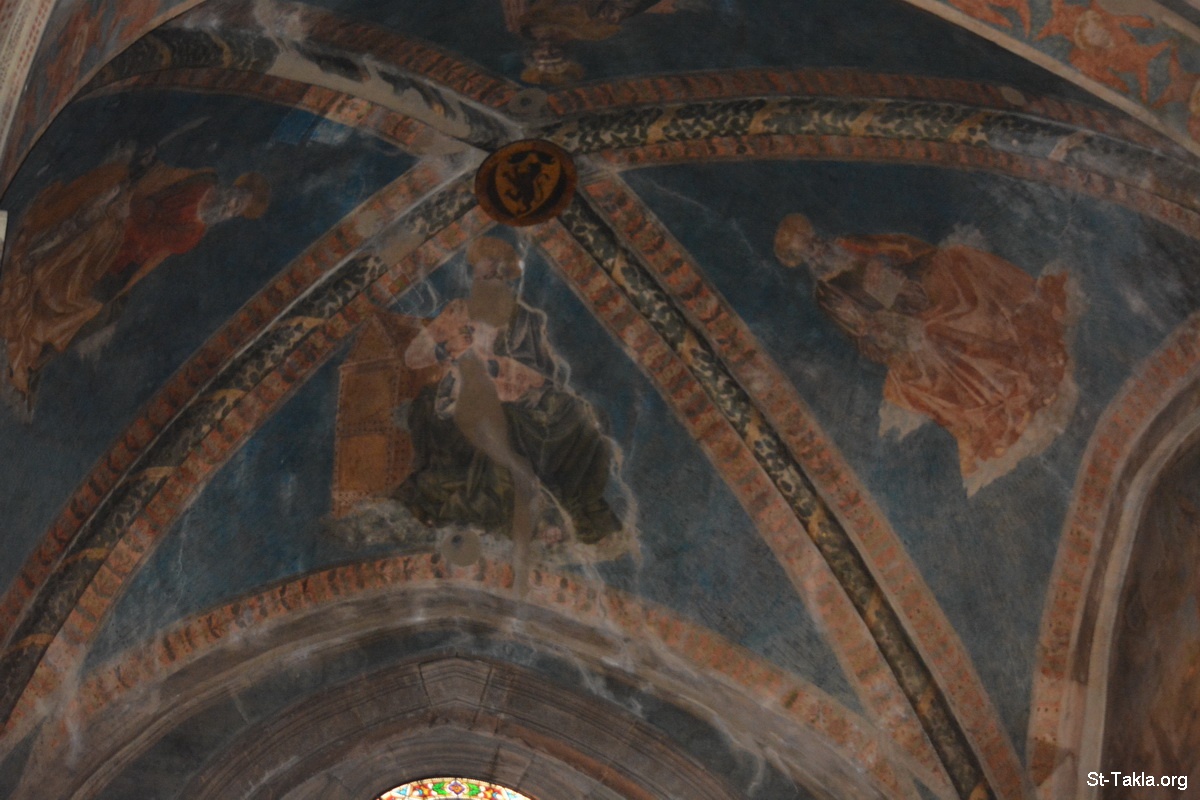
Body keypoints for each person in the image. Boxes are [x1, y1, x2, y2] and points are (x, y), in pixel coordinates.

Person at [775, 213, 1076, 493]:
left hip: (918, 289)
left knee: (958, 265)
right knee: (935, 336)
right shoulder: (826, 293)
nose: (817, 250)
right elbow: (860, 330)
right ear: (804, 260)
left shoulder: (848, 245)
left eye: (814, 241)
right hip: (898, 325)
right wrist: (885, 328)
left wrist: (886, 267)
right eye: (808, 250)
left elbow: (901, 249)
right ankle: (1002, 390)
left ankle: (1023, 339)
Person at [395, 236, 621, 543]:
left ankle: (575, 503)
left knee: (586, 417)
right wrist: (445, 348)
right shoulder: (458, 311)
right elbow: (413, 356)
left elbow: (547, 375)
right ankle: (531, 516)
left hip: (522, 396)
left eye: (495, 277)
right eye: (482, 277)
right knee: (499, 427)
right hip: (467, 395)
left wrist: (504, 368)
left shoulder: (528, 319)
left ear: (507, 280)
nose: (488, 284)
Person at [0, 154, 269, 401]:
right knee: (85, 241)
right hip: (120, 224)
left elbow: (150, 236)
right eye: (235, 199)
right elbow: (162, 178)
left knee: (105, 310)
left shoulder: (192, 234)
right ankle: (35, 283)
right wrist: (137, 193)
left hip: (125, 249)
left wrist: (136, 213)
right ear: (233, 188)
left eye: (234, 211)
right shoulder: (201, 179)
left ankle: (41, 353)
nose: (229, 208)